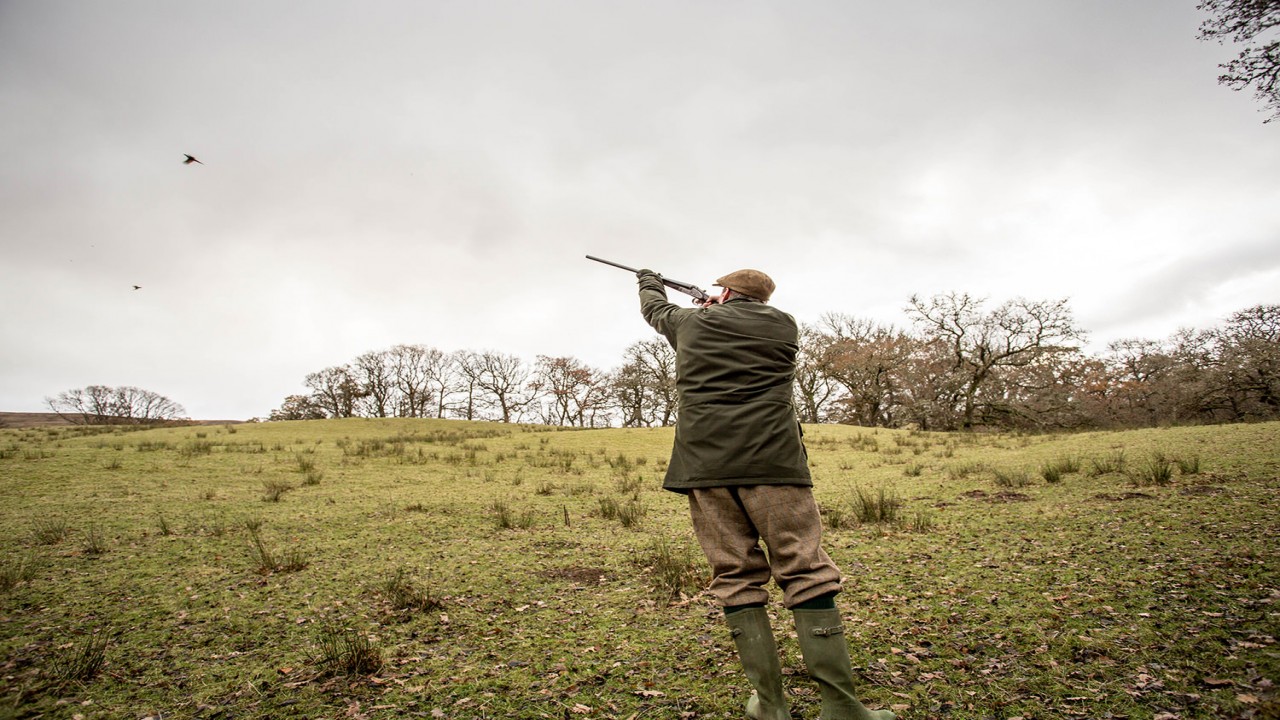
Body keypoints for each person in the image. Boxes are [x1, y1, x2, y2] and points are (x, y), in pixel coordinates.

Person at [635, 267, 894, 720]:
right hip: (774, 462)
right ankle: (841, 707)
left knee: (734, 574)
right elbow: (736, 327)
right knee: (805, 568)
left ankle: (772, 707)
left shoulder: (693, 324)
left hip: (705, 468)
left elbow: (655, 310)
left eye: (720, 290)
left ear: (727, 292)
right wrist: (717, 306)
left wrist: (648, 281)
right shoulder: (782, 324)